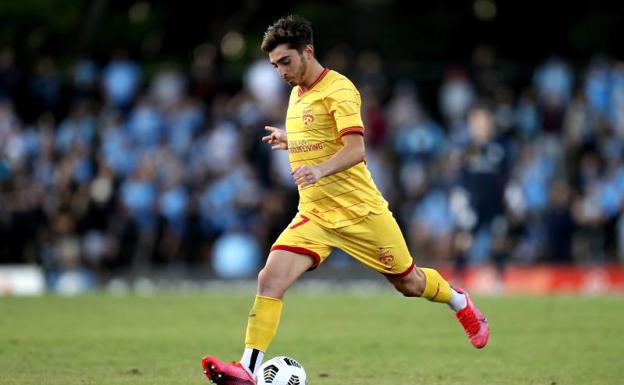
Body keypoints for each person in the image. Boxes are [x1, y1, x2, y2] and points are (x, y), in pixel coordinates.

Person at [201, 15, 489, 385]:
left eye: (285, 62)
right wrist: (292, 140)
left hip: (360, 212)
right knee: (269, 278)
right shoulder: (296, 93)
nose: (281, 72)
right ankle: (248, 369)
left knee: (410, 284)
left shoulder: (339, 89)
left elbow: (356, 149)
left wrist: (319, 170)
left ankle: (460, 303)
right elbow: (323, 135)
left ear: (308, 51)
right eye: (274, 66)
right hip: (316, 215)